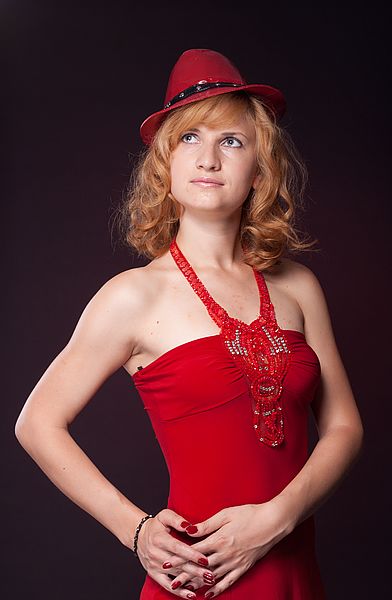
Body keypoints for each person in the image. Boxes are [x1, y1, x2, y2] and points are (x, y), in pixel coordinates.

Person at [15, 48, 364, 599]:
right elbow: (36, 424)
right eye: (189, 139)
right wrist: (135, 530)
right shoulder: (132, 296)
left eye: (231, 141)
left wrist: (277, 518)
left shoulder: (297, 285)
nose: (208, 159)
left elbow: (345, 427)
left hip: (296, 572)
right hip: (200, 577)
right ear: (165, 165)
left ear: (258, 168)